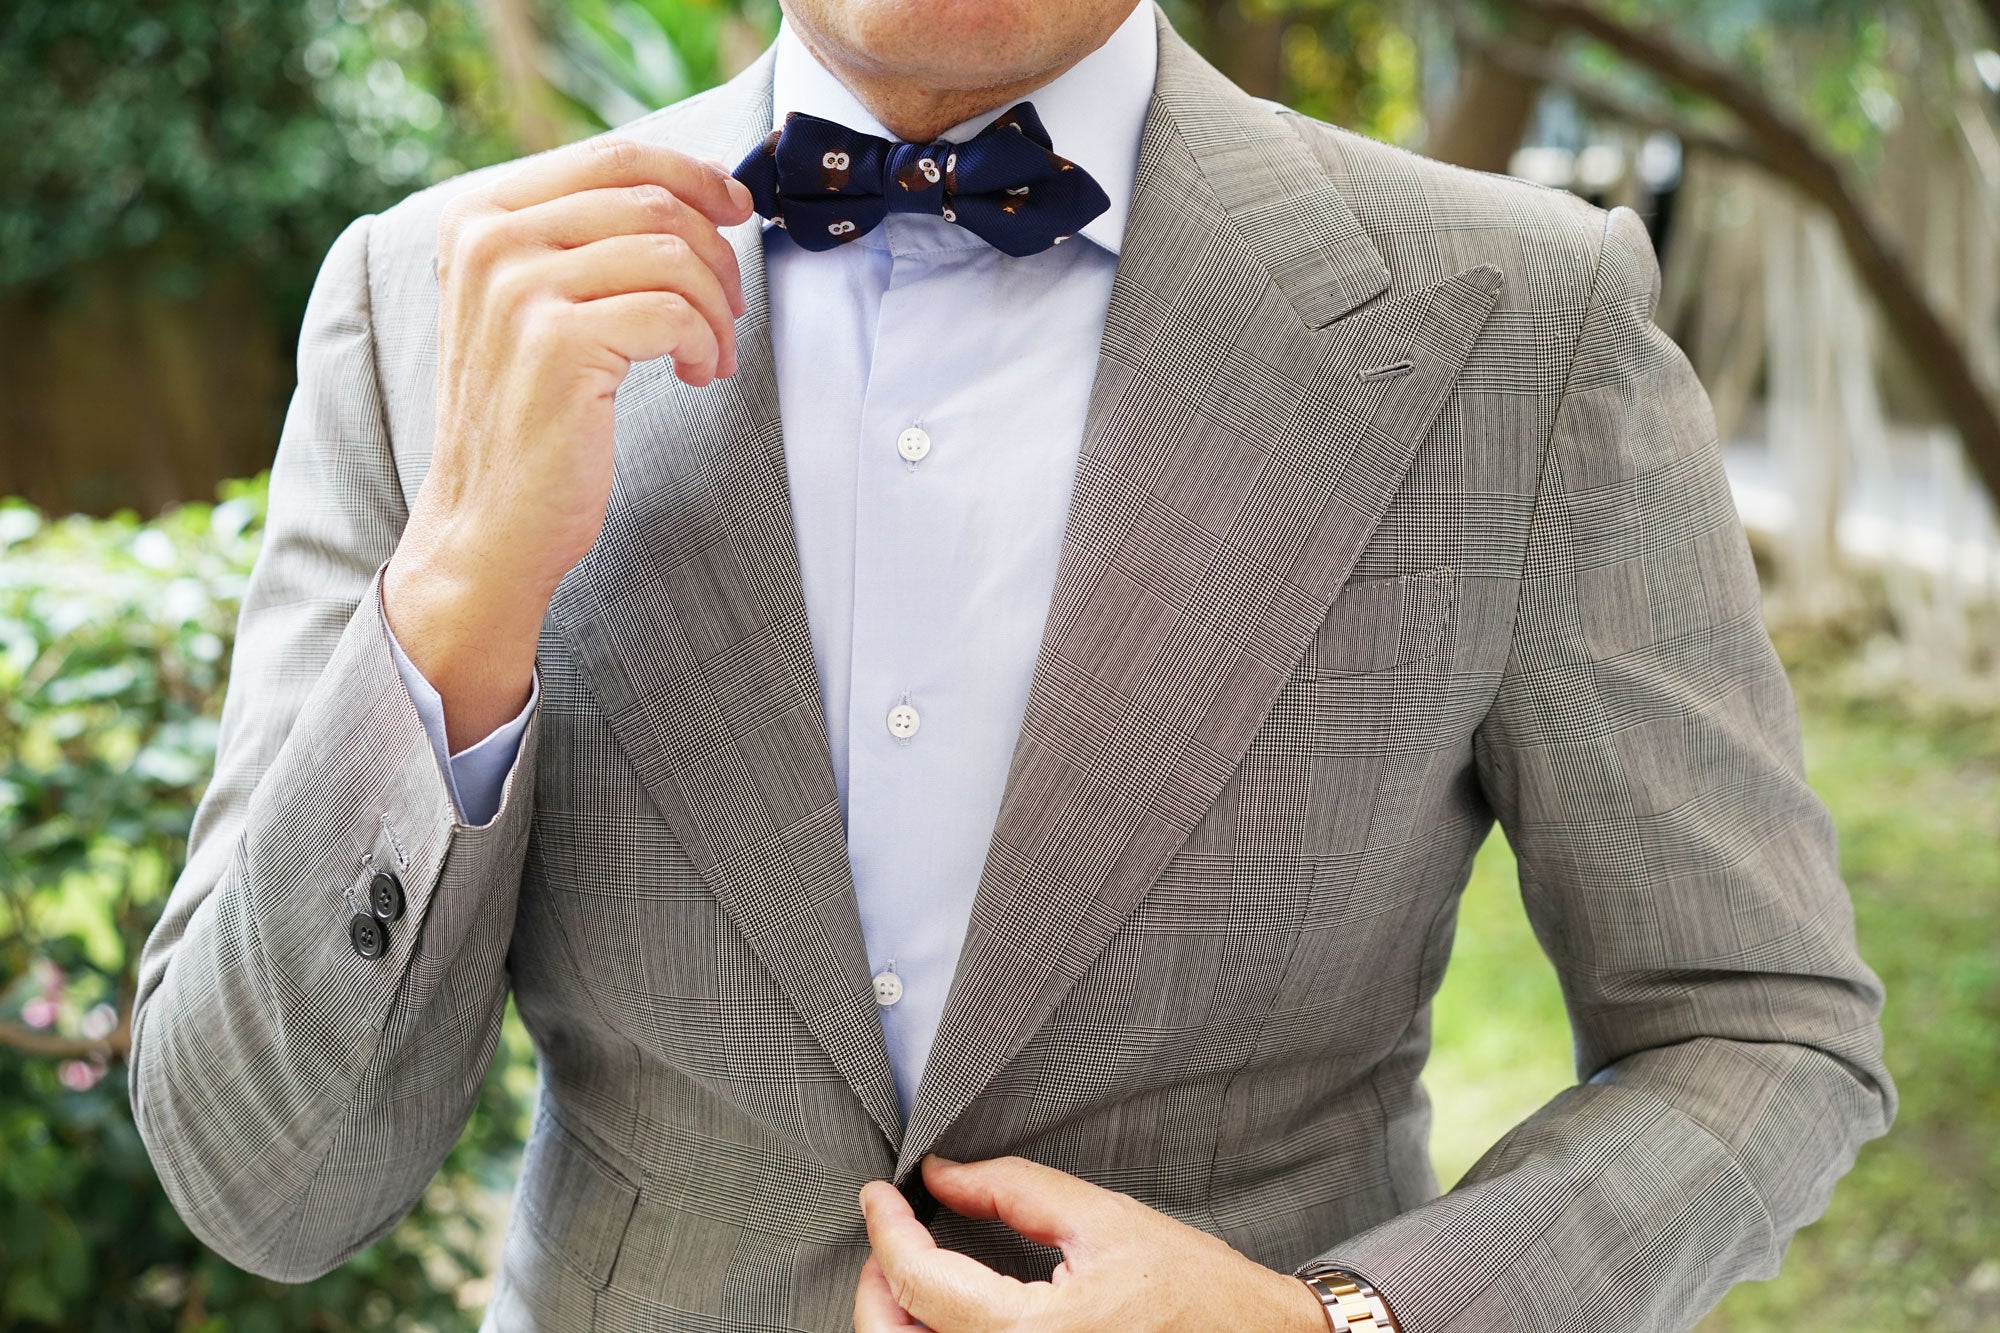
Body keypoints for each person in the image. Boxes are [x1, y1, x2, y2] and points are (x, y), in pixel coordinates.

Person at [128, 0, 1895, 1328]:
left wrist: (1337, 1323)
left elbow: (1759, 1026)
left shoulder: (1525, 319)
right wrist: (453, 597)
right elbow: (260, 1177)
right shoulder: (424, 298)